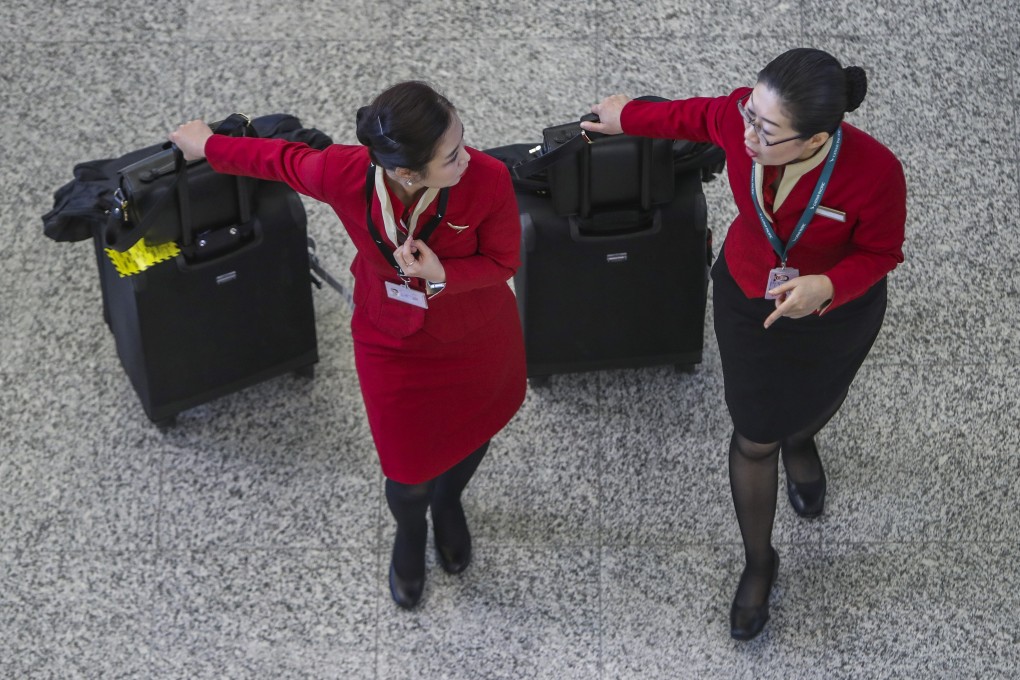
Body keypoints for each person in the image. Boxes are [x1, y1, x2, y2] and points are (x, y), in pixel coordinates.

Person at [582, 48, 906, 640]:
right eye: (751, 114)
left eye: (766, 128)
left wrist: (829, 285)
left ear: (815, 142)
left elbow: (882, 253)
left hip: (834, 316)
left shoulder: (876, 172)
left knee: (813, 403)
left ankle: (803, 440)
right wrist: (627, 115)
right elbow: (695, 117)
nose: (747, 131)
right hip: (748, 298)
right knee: (756, 433)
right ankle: (761, 560)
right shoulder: (742, 119)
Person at [170, 81, 527, 610]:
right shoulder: (344, 173)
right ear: (404, 172)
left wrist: (441, 274)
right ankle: (410, 531)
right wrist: (209, 146)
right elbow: (282, 160)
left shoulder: (488, 179)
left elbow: (503, 263)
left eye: (462, 140)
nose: (467, 158)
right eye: (451, 156)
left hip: (474, 332)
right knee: (406, 472)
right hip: (391, 336)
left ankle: (450, 501)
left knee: (474, 430)